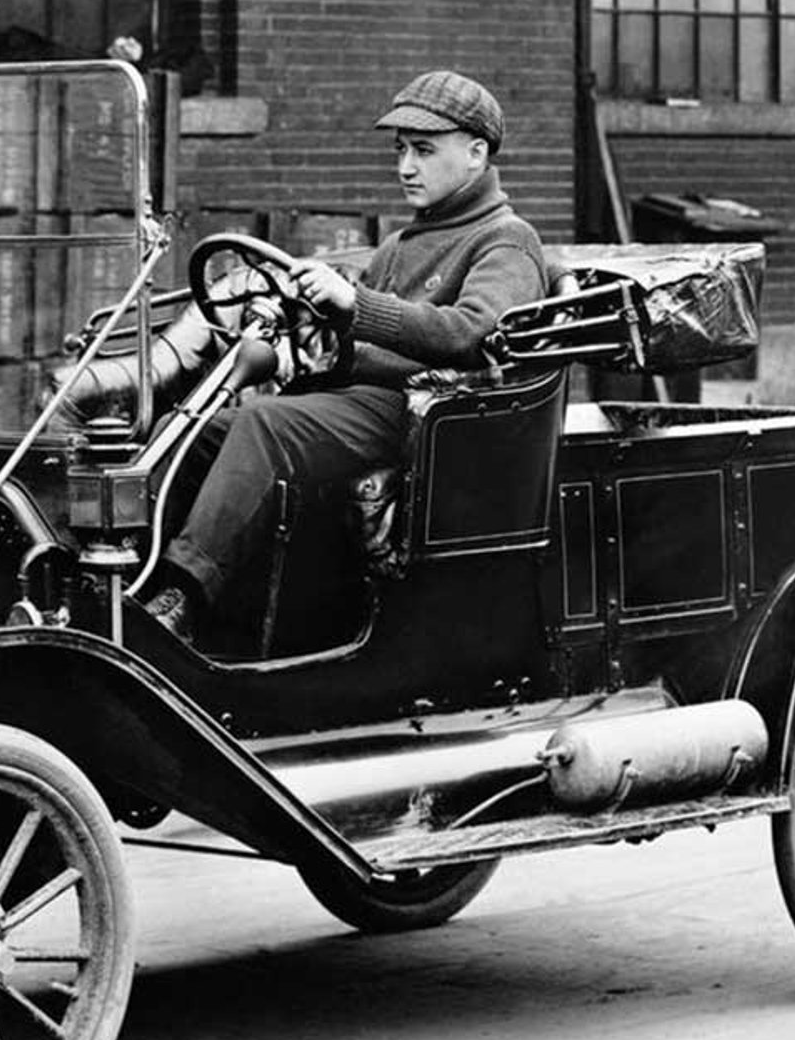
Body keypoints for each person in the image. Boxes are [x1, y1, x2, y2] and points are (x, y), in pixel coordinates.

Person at [142, 69, 550, 643]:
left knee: (265, 425)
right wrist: (317, 331)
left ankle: (183, 598)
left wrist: (355, 304)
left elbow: (472, 334)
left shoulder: (506, 240)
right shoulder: (401, 244)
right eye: (401, 149)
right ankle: (135, 574)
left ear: (476, 153)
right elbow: (358, 346)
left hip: (427, 423)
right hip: (365, 407)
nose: (406, 166)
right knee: (189, 429)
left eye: (424, 150)